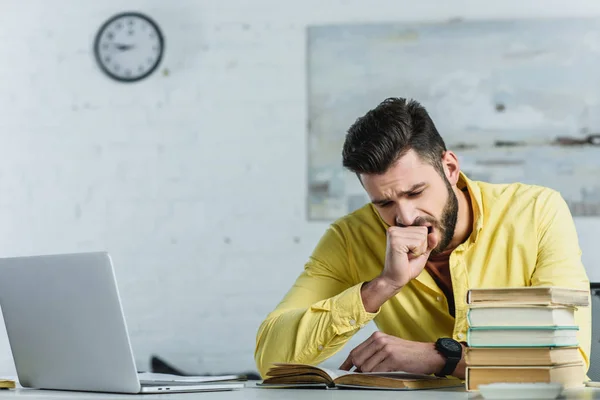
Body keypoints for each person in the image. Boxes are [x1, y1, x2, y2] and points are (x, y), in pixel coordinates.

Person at [254, 97, 591, 379]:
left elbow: (568, 364)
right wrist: (382, 286)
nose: (405, 216)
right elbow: (271, 359)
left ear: (450, 168)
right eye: (384, 203)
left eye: (416, 191)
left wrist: (441, 357)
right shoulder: (350, 237)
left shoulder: (536, 212)